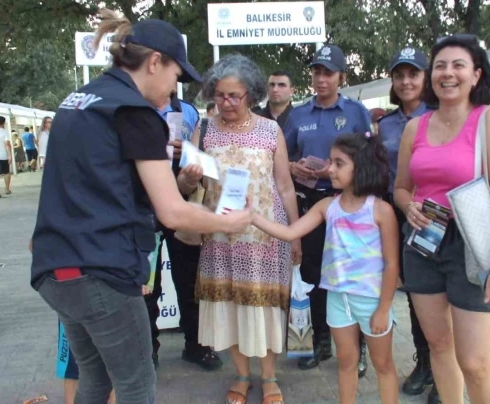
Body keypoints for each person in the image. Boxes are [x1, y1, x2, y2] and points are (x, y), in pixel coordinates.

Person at [30, 10, 251, 404]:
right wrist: (233, 223)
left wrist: (184, 183)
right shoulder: (136, 113)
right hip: (102, 272)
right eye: (175, 76)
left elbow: (90, 182)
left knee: (96, 381)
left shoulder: (78, 101)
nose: (173, 90)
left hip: (56, 268)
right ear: (154, 62)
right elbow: (172, 213)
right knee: (137, 384)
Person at [393, 34, 490, 404]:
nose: (448, 73)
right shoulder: (416, 126)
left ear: (476, 75)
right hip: (422, 242)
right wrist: (408, 206)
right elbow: (401, 187)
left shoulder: (488, 120)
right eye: (441, 66)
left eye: (458, 65)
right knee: (438, 346)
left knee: (476, 362)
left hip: (472, 245)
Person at [253, 132, 400, 404]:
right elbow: (289, 232)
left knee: (383, 364)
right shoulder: (327, 206)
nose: (329, 168)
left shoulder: (381, 211)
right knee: (346, 361)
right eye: (331, 162)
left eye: (338, 163)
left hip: (371, 299)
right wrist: (252, 217)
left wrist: (384, 307)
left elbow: (392, 263)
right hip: (337, 298)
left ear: (361, 166)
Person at [195, 54, 300, 404]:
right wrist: (186, 175)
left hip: (265, 238)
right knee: (232, 306)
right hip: (220, 238)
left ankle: (269, 377)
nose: (225, 103)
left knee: (264, 308)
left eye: (233, 96)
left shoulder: (271, 130)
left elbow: (284, 185)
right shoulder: (204, 130)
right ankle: (241, 375)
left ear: (251, 95)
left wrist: (295, 233)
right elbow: (186, 186)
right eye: (219, 95)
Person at [283, 44, 372, 375]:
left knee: (351, 278)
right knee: (314, 276)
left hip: (347, 206)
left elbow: (369, 158)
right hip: (311, 205)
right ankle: (320, 342)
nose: (321, 79)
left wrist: (335, 171)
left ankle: (359, 348)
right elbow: (284, 158)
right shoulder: (299, 115)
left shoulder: (356, 112)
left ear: (341, 77)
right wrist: (296, 169)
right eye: (317, 72)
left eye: (328, 73)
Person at [377, 46, 439, 403]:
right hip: (401, 213)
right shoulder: (385, 124)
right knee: (416, 293)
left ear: (425, 78)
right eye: (399, 75)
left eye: (413, 74)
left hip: (439, 216)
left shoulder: (442, 114)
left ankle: (447, 370)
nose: (405, 81)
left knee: (444, 294)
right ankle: (426, 362)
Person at [143, 94, 223, 372]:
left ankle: (197, 345)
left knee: (189, 280)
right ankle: (148, 351)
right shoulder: (132, 106)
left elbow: (200, 156)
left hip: (181, 204)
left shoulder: (187, 111)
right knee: (146, 285)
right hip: (142, 208)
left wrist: (186, 153)